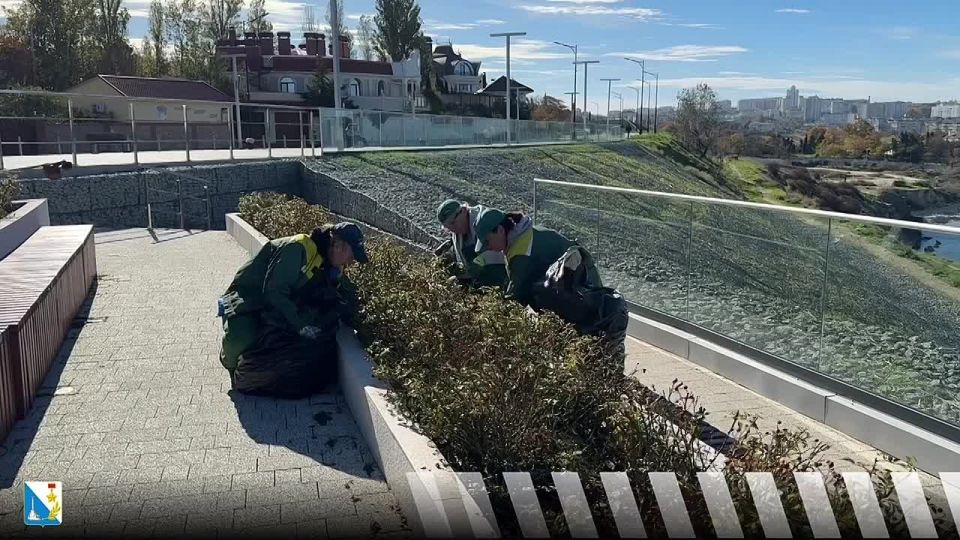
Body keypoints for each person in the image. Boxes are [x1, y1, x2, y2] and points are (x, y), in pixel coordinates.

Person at [218, 222, 368, 398]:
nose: (351, 262)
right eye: (351, 256)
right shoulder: (297, 248)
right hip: (250, 297)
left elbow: (344, 291)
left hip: (279, 302)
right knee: (241, 337)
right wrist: (301, 325)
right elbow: (275, 292)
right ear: (338, 246)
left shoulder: (329, 262)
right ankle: (229, 362)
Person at [473, 207, 628, 360]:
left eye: (487, 241)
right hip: (580, 294)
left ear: (500, 230)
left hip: (586, 303)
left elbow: (516, 298)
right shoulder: (527, 233)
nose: (489, 248)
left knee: (595, 356)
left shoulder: (521, 254)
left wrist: (489, 323)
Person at [435, 199, 507, 288]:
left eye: (453, 223)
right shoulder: (458, 233)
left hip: (501, 269)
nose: (452, 229)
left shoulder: (482, 222)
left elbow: (496, 252)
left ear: (464, 211)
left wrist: (477, 266)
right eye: (448, 227)